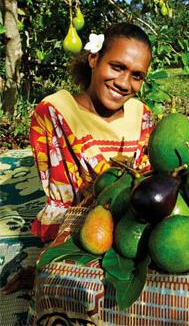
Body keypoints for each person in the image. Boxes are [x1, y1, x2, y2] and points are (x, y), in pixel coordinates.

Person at [30, 22, 154, 243]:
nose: (124, 83)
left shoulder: (141, 114)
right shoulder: (56, 111)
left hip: (132, 225)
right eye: (117, 67)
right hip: (81, 227)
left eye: (137, 76)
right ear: (94, 59)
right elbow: (66, 196)